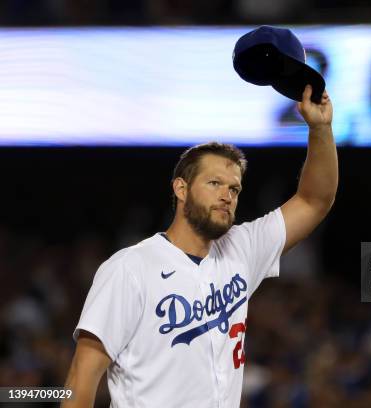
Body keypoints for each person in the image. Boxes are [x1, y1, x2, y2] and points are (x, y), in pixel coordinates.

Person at [61, 84, 337, 408]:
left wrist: (320, 129)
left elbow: (315, 200)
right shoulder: (129, 268)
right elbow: (81, 379)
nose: (226, 195)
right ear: (181, 188)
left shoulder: (242, 249)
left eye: (234, 189)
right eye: (215, 183)